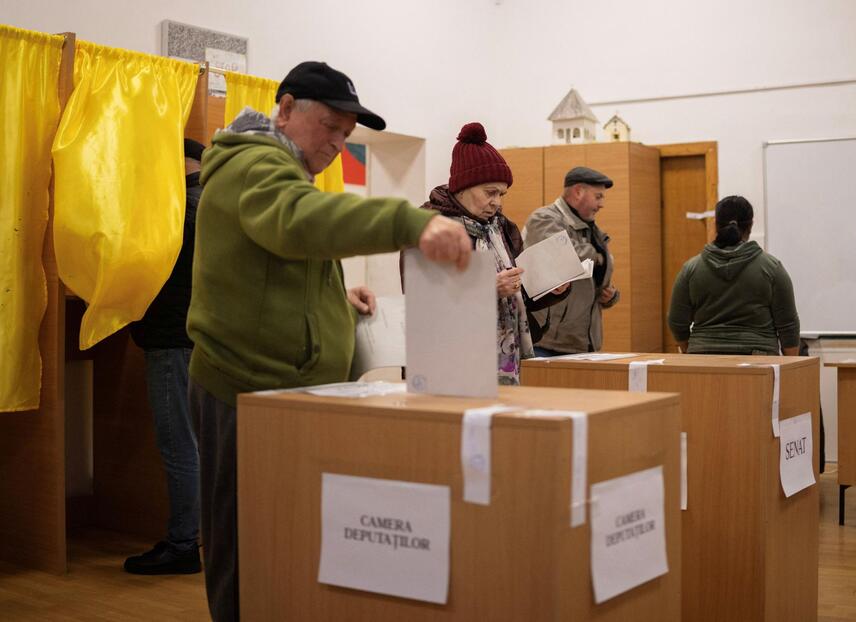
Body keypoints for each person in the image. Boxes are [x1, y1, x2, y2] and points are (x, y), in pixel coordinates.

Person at [187, 61, 471, 621]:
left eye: (347, 137)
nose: (338, 146)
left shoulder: (284, 171)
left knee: (287, 547)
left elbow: (272, 263)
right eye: (330, 129)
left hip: (286, 395)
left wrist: (336, 301)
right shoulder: (254, 165)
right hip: (245, 391)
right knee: (245, 551)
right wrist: (407, 223)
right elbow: (296, 223)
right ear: (286, 109)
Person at [417, 122, 568, 384]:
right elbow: (421, 299)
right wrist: (487, 288)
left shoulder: (502, 228)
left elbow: (520, 291)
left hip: (506, 359)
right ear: (462, 187)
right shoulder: (430, 227)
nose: (497, 202)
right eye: (490, 192)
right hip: (450, 359)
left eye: (502, 194)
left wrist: (551, 287)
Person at [124, 138, 204, 575]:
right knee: (199, 445)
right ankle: (199, 536)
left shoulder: (178, 208)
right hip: (200, 339)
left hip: (172, 339)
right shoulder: (212, 200)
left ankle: (182, 545)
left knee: (179, 447)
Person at [667, 195, 800, 355]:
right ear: (750, 226)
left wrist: (693, 350)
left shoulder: (691, 269)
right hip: (759, 364)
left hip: (703, 363)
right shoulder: (772, 268)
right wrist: (789, 370)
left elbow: (676, 321)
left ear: (715, 225)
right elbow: (788, 326)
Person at [523, 167, 620, 356]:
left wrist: (610, 295)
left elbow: (599, 273)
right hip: (547, 341)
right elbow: (568, 258)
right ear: (578, 192)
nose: (601, 204)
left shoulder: (591, 229)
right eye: (598, 196)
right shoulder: (544, 219)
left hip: (583, 342)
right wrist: (598, 256)